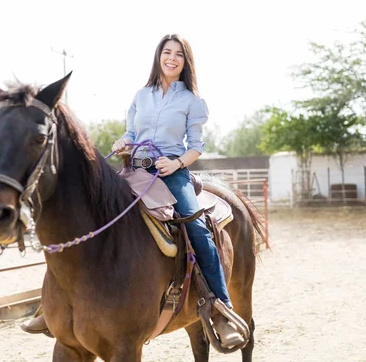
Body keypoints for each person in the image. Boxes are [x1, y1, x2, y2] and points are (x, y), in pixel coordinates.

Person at [22, 34, 242, 347]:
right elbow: (131, 131)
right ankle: (56, 305)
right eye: (167, 52)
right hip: (134, 168)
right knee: (85, 215)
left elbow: (196, 147)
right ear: (159, 57)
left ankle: (221, 308)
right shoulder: (142, 95)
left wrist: (177, 162)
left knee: (197, 227)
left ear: (185, 61)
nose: (172, 58)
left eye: (178, 54)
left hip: (171, 172)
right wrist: (124, 141)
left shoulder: (192, 101)